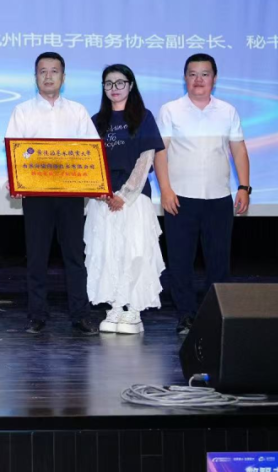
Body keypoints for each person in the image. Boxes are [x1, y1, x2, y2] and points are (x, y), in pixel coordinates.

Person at [154, 53, 251, 336]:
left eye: (205, 74)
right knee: (180, 262)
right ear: (185, 78)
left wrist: (244, 187)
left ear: (214, 78)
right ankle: (186, 315)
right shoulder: (170, 110)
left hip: (219, 198)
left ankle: (215, 316)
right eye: (193, 74)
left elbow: (239, 150)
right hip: (180, 198)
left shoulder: (227, 111)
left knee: (218, 262)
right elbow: (160, 153)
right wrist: (166, 189)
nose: (198, 80)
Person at [6, 51, 100, 335]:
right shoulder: (22, 111)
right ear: (35, 77)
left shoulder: (78, 111)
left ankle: (80, 315)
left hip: (71, 194)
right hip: (36, 194)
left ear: (63, 77)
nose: (48, 76)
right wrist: (17, 182)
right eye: (42, 71)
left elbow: (92, 151)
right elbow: (14, 152)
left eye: (54, 71)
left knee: (74, 256)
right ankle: (37, 315)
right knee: (37, 257)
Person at [83, 64, 165, 334]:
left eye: (120, 83)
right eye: (108, 83)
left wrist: (125, 194)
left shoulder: (143, 117)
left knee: (134, 252)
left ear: (130, 85)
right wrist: (101, 192)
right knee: (107, 252)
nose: (114, 88)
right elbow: (87, 161)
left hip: (134, 199)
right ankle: (115, 306)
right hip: (102, 200)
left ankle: (134, 310)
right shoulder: (96, 121)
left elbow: (146, 158)